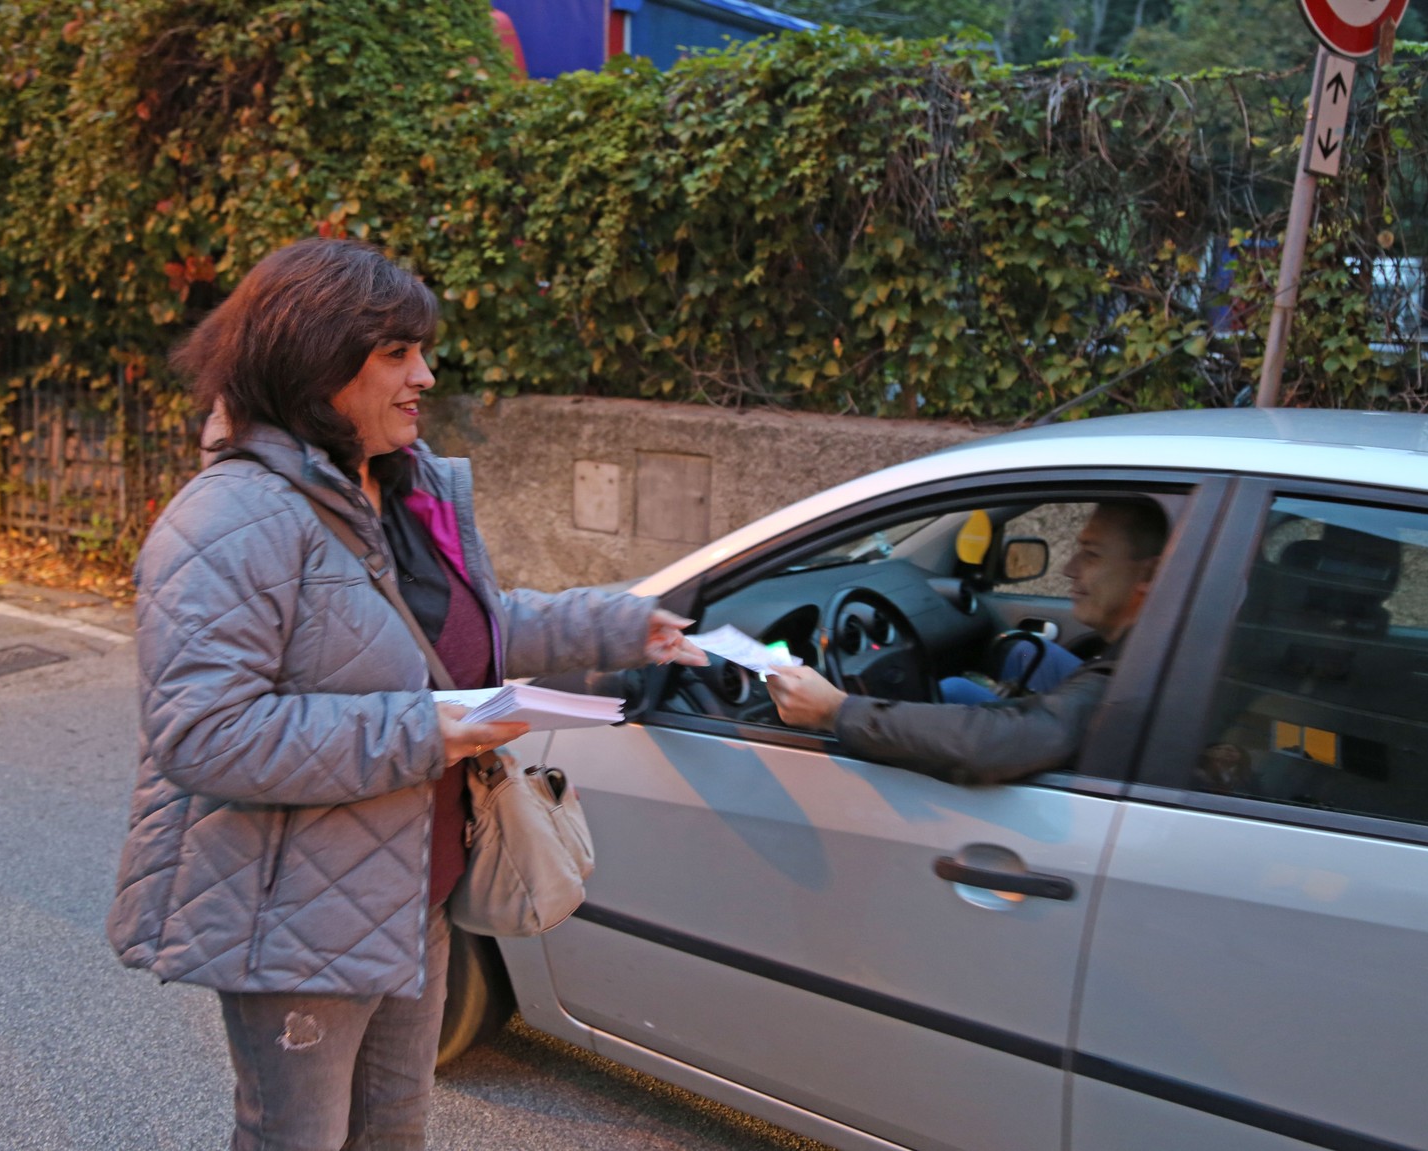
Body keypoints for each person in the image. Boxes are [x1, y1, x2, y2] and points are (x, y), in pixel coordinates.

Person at [106, 237, 705, 1151]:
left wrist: (622, 624)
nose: (425, 374)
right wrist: (433, 724)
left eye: (420, 349)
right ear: (315, 360)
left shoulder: (391, 490)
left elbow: (470, 626)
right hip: (295, 914)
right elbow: (206, 735)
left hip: (412, 888)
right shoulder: (230, 519)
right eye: (397, 352)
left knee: (394, 1132)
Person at [765, 501, 1168, 785]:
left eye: (1092, 554)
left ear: (1151, 574)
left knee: (954, 691)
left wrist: (837, 711)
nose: (1068, 568)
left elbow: (1007, 741)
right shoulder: (1155, 648)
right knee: (962, 685)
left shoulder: (1134, 677)